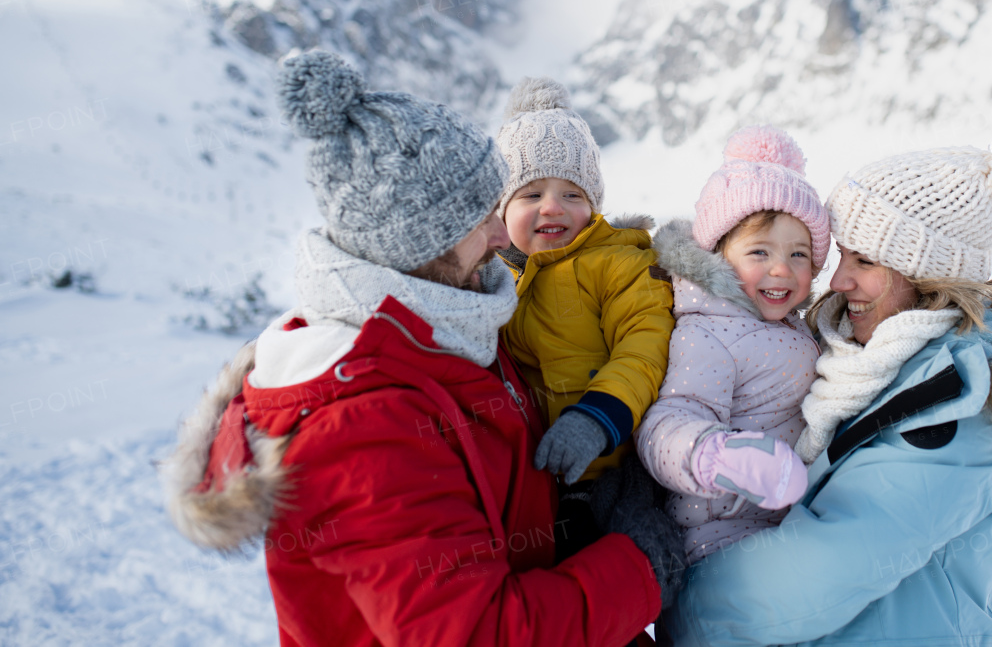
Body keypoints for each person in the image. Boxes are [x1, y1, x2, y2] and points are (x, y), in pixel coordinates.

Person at [161, 52, 683, 647]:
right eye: (483, 218)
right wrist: (636, 568)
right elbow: (478, 634)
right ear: (421, 245)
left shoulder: (450, 321)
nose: (499, 237)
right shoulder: (362, 428)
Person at [664, 127, 992, 647]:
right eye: (840, 256)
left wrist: (684, 606)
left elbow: (827, 567)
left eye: (863, 261)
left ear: (926, 273)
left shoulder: (953, 408)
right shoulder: (860, 366)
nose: (838, 281)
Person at [495, 78, 675, 557]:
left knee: (625, 564)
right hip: (541, 477)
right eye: (531, 194)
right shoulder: (496, 283)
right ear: (501, 210)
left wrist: (599, 417)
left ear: (594, 206)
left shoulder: (618, 263)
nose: (553, 206)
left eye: (572, 195)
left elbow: (645, 344)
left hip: (617, 462)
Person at [636, 125, 829, 563]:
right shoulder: (708, 332)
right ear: (719, 253)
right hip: (718, 538)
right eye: (759, 253)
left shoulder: (790, 324)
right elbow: (665, 423)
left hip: (778, 527)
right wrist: (716, 457)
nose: (781, 269)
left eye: (798, 255)